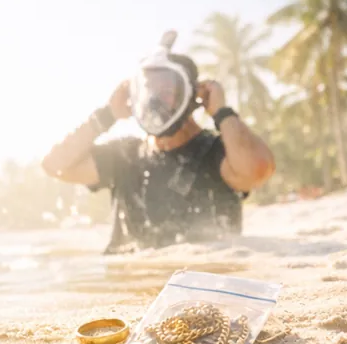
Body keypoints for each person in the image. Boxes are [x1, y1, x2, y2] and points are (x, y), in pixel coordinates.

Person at [41, 30, 276, 253]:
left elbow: (257, 169)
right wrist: (107, 116)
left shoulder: (217, 152)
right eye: (148, 90)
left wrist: (222, 113)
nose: (154, 100)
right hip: (135, 278)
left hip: (202, 277)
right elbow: (55, 165)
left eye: (165, 91)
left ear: (190, 94)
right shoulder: (124, 156)